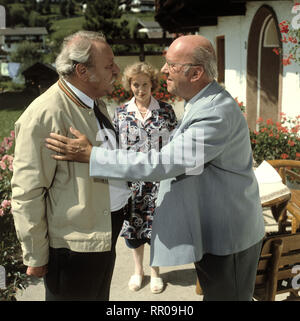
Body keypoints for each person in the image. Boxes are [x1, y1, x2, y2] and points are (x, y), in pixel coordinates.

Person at [45, 35, 265, 301]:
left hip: (228, 238)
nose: (163, 70)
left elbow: (162, 163)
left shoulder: (214, 113)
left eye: (171, 65)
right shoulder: (202, 102)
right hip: (215, 232)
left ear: (195, 73)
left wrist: (93, 156)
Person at [11, 30, 132, 301]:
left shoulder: (93, 103)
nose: (116, 69)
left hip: (101, 233)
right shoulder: (45, 114)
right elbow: (27, 192)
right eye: (108, 64)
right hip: (73, 248)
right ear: (82, 71)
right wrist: (35, 253)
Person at [113, 62, 177, 293]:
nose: (140, 89)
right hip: (132, 184)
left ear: (153, 85)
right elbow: (115, 149)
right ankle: (138, 271)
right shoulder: (120, 113)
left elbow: (176, 145)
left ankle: (156, 271)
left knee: (158, 229)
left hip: (159, 182)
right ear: (129, 85)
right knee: (134, 230)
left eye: (145, 84)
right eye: (135, 84)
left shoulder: (166, 110)